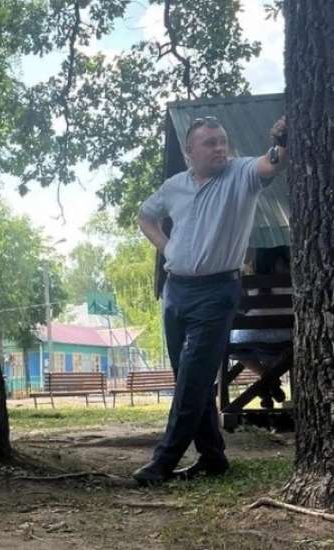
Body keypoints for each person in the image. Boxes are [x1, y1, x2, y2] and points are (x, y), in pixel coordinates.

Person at [133, 115, 288, 485]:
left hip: (217, 292)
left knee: (192, 380)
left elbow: (272, 163)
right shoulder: (174, 186)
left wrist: (283, 142)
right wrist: (167, 247)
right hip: (176, 291)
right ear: (190, 152)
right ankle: (213, 457)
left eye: (222, 141)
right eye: (210, 143)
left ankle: (163, 462)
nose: (220, 148)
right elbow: (145, 215)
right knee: (190, 378)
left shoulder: (242, 173)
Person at [229, 246, 291, 408]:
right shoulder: (294, 279)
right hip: (287, 337)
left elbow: (238, 309)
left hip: (251, 337)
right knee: (279, 349)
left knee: (235, 346)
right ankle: (268, 382)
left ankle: (267, 379)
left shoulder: (247, 281)